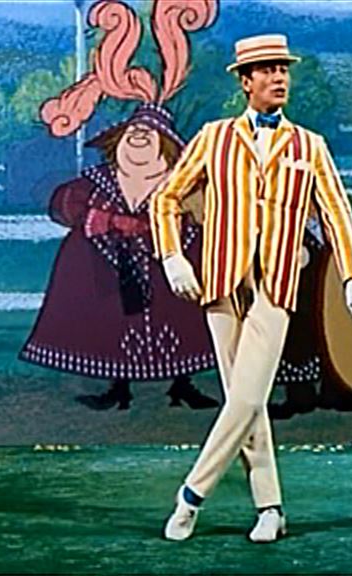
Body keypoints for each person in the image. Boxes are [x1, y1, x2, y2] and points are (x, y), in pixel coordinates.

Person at [152, 34, 352, 543]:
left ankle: (191, 495)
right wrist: (172, 257)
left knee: (249, 395)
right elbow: (166, 198)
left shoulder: (309, 146)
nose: (279, 77)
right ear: (245, 81)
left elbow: (337, 215)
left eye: (283, 69)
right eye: (268, 69)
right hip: (221, 284)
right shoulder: (214, 137)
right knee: (244, 403)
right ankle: (270, 507)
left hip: (275, 285)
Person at [23, 0, 218, 411]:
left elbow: (209, 212)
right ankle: (118, 386)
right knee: (112, 324)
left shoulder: (183, 184)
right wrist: (101, 220)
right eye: (132, 136)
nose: (138, 141)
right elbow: (62, 202)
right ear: (117, 145)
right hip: (108, 268)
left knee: (182, 321)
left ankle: (182, 383)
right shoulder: (98, 183)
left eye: (149, 137)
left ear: (168, 148)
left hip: (170, 266)